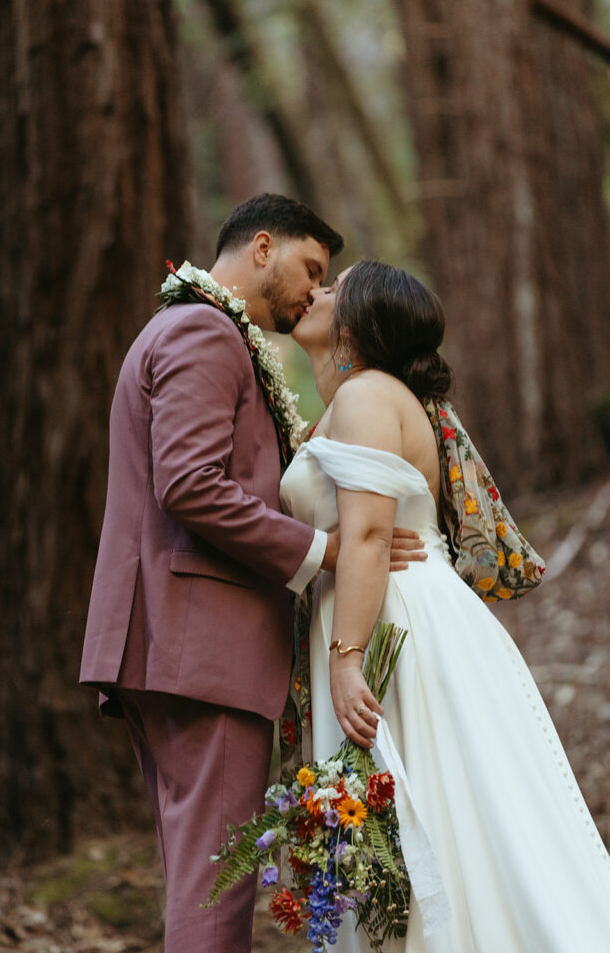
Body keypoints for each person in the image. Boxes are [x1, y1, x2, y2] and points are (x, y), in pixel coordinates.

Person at [79, 197, 425, 953]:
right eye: (310, 269)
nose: (313, 291)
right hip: (200, 652)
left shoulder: (193, 329)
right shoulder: (204, 330)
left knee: (199, 880)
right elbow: (190, 484)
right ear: (261, 247)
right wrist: (326, 552)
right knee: (216, 891)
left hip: (175, 645)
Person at [281, 259, 610, 952]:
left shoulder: (369, 393)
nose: (316, 289)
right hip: (373, 614)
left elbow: (368, 536)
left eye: (334, 286)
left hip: (393, 625)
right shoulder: (355, 400)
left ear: (356, 324)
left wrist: (346, 661)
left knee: (434, 811)